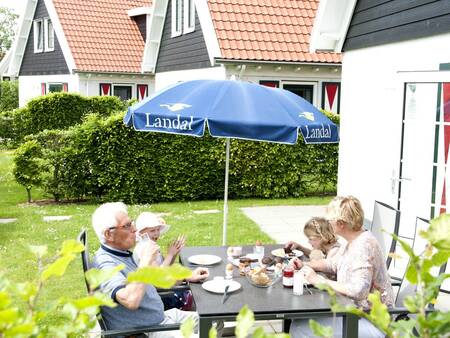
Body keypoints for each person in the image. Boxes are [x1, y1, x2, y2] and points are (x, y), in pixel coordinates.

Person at [91, 202, 217, 337]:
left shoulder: (122, 253)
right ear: (108, 234)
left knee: (214, 322)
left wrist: (187, 277)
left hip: (160, 318)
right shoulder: (105, 264)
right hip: (147, 331)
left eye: (131, 223)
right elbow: (130, 299)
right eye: (127, 226)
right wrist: (145, 260)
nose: (134, 229)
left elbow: (154, 281)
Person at [289, 196, 394, 338]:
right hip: (353, 312)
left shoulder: (364, 247)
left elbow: (359, 291)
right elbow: (333, 264)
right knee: (299, 321)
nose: (327, 223)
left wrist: (319, 281)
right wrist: (304, 265)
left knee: (300, 328)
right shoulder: (353, 240)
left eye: (329, 220)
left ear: (341, 223)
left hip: (371, 321)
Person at [133, 211, 190, 310]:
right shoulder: (145, 249)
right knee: (194, 294)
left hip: (161, 290)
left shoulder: (151, 245)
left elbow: (165, 267)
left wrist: (174, 253)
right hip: (158, 296)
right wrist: (170, 254)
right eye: (152, 231)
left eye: (157, 229)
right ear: (142, 233)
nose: (156, 233)